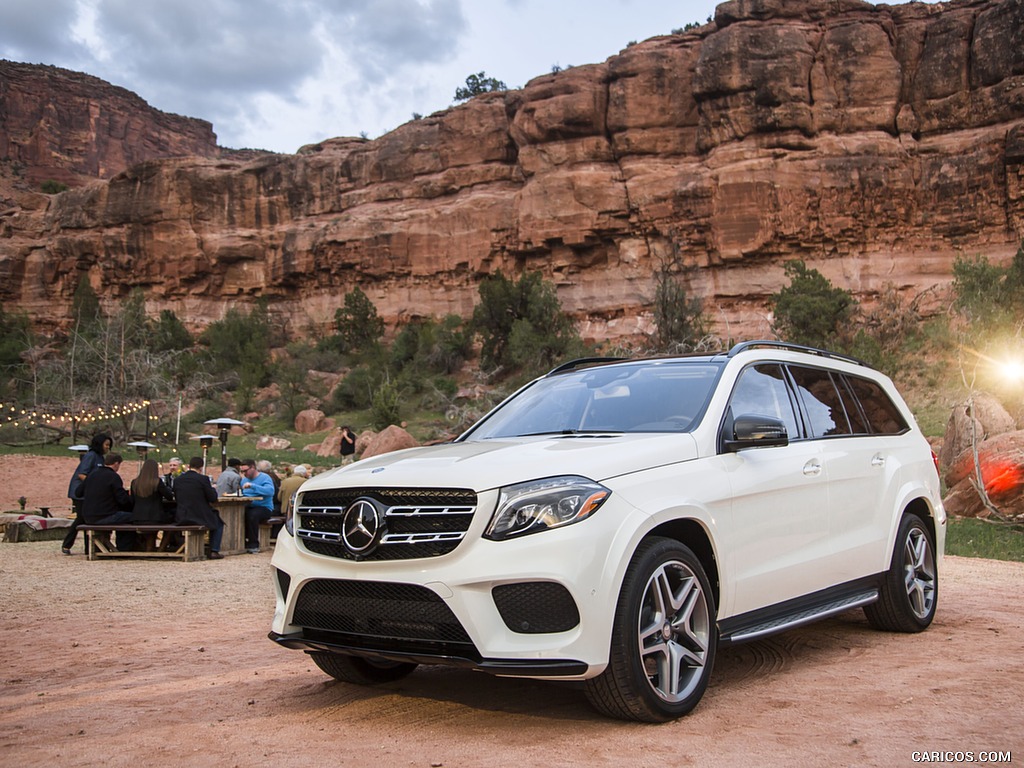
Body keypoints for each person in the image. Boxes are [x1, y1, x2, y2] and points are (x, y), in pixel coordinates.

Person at [62, 432, 112, 555]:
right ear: (99, 444)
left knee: (85, 519)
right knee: (82, 518)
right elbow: (82, 474)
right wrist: (95, 486)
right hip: (80, 492)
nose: (108, 447)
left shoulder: (100, 457)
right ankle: (68, 544)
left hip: (90, 493)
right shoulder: (91, 456)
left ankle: (88, 547)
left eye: (109, 445)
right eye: (106, 445)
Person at [80, 452, 136, 551]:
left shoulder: (92, 474)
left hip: (88, 516)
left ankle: (103, 547)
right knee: (133, 517)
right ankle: (125, 548)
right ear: (116, 463)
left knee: (124, 517)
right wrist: (131, 497)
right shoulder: (113, 476)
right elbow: (123, 500)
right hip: (104, 516)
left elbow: (78, 492)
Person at [173, 456, 225, 559]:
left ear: (188, 466)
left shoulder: (178, 480)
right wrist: (213, 489)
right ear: (201, 468)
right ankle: (214, 550)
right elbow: (212, 498)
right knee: (219, 523)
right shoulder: (203, 479)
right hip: (200, 516)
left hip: (182, 516)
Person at [130, 458, 174, 551]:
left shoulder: (135, 482)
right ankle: (161, 549)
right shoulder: (157, 482)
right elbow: (169, 496)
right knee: (172, 524)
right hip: (155, 517)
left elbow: (132, 500)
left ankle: (148, 548)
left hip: (137, 517)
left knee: (150, 532)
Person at [239, 458, 276, 554]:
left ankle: (253, 544)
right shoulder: (243, 481)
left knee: (252, 515)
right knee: (238, 514)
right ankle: (240, 542)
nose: (244, 473)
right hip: (248, 505)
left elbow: (270, 491)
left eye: (245, 471)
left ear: (253, 468)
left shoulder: (265, 478)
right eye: (242, 471)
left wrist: (253, 486)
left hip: (263, 507)